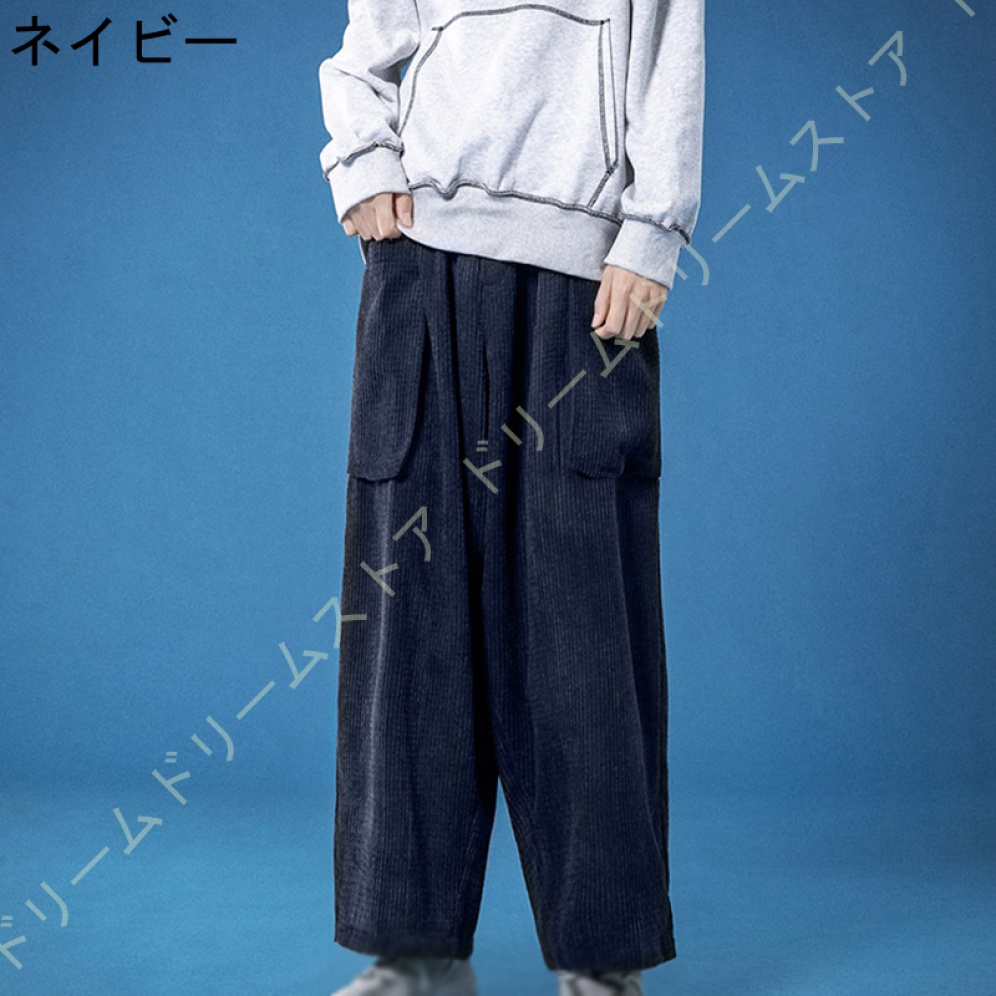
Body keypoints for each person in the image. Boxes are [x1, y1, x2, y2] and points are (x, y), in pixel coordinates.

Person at [317, 1, 704, 993]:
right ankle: (415, 953)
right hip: (422, 263)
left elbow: (668, 54)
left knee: (583, 634)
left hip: (582, 280)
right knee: (409, 626)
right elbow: (364, 53)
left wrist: (653, 231)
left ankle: (604, 961)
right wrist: (360, 162)